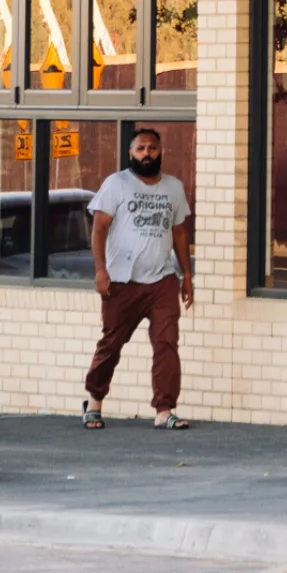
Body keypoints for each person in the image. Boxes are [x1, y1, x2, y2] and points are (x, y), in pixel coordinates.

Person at [83, 126, 194, 430]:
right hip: (122, 282)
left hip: (162, 280)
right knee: (111, 344)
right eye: (141, 149)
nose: (147, 154)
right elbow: (99, 229)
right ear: (131, 153)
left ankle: (164, 409)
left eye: (152, 148)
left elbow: (179, 232)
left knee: (166, 343)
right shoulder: (116, 184)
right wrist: (101, 270)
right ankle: (94, 400)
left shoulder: (173, 187)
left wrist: (187, 275)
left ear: (161, 152)